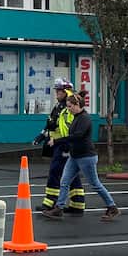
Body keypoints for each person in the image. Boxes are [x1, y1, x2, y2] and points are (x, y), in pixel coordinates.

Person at [42, 94, 120, 222]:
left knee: (95, 184)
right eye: (67, 107)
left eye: (70, 106)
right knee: (65, 181)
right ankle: (59, 208)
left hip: (86, 157)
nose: (68, 109)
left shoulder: (84, 119)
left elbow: (77, 136)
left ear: (77, 105)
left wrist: (57, 141)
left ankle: (112, 207)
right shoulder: (76, 117)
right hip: (75, 156)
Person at [40, 78, 86, 215]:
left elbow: (69, 127)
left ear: (65, 91)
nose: (57, 93)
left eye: (59, 91)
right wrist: (43, 134)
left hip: (64, 145)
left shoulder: (68, 108)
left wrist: (66, 144)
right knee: (72, 174)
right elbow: (52, 124)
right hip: (60, 143)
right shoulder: (59, 106)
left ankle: (50, 203)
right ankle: (77, 204)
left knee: (55, 172)